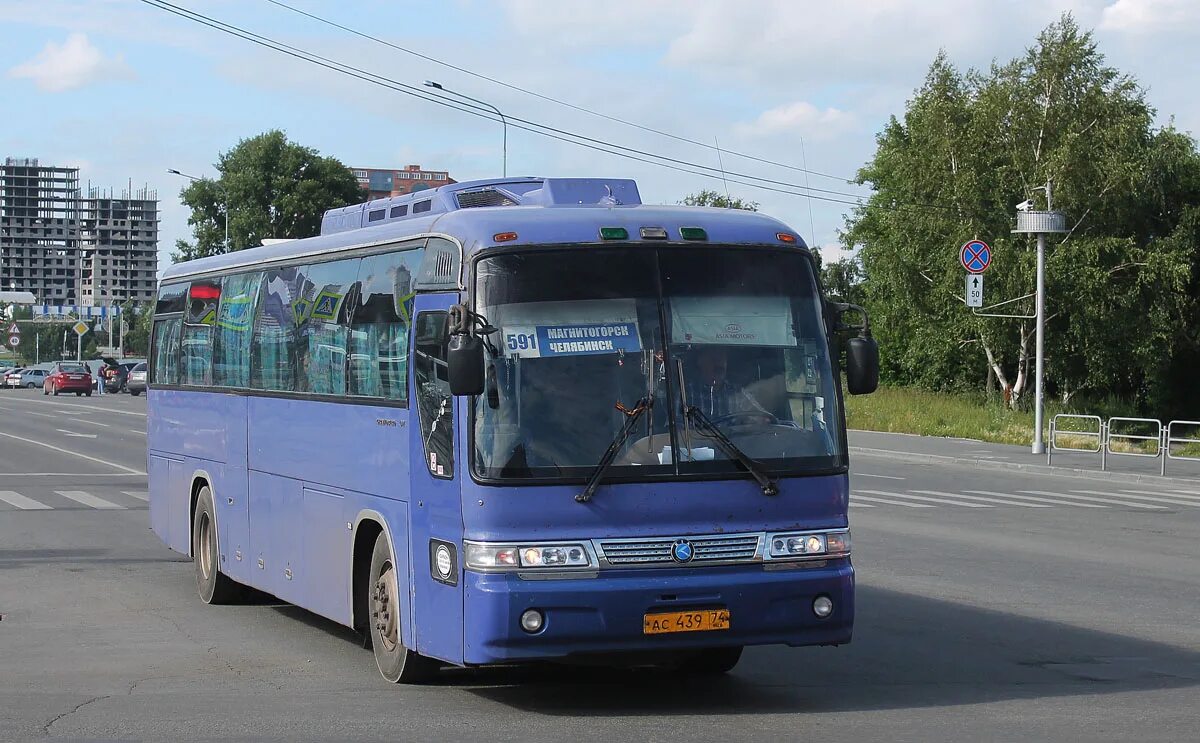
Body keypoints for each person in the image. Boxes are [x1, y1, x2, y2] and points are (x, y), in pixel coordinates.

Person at [683, 346, 768, 419]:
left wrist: (753, 422)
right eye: (713, 358)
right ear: (700, 361)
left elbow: (764, 418)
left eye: (722, 357)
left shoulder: (737, 393)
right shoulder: (686, 395)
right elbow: (678, 431)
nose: (719, 363)